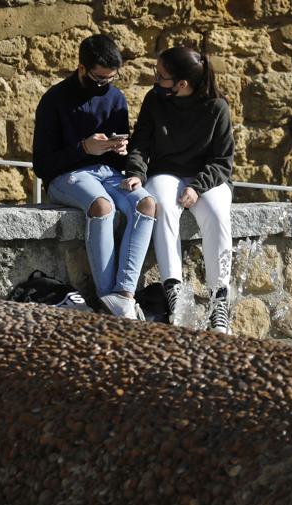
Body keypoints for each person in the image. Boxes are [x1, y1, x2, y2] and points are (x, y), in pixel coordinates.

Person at [33, 34, 156, 320]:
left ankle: (123, 295)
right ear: (81, 69)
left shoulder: (115, 98)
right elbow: (42, 165)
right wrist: (84, 148)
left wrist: (121, 149)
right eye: (99, 78)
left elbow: (120, 160)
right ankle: (106, 298)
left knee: (146, 204)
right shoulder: (54, 100)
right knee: (102, 206)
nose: (104, 85)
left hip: (107, 172)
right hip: (67, 176)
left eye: (110, 78)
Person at [122, 46, 235, 333]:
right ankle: (173, 288)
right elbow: (140, 143)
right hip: (166, 172)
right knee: (161, 202)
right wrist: (136, 173)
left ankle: (219, 300)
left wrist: (197, 187)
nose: (155, 80)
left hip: (207, 177)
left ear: (181, 84)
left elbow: (222, 162)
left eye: (161, 76)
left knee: (217, 213)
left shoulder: (217, 107)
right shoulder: (155, 100)